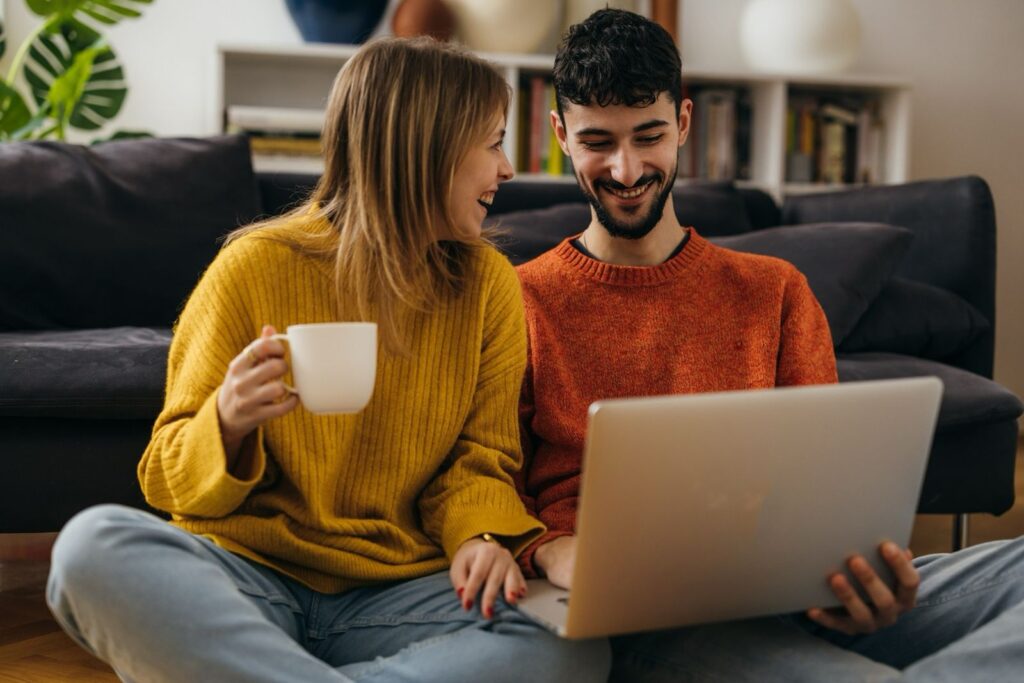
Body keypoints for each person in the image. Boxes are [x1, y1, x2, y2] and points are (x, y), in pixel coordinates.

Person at [45, 37, 610, 683]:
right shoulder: (252, 267)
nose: (506, 169)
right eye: (492, 143)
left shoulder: (489, 285)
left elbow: (481, 459)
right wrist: (226, 423)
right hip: (251, 577)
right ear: (424, 147)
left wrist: (479, 539)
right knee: (92, 547)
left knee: (569, 648)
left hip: (400, 591)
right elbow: (164, 477)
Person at [515, 8, 1024, 681]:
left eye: (649, 135)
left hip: (796, 590)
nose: (627, 167)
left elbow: (828, 487)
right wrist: (553, 550)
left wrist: (860, 572)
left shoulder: (776, 292)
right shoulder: (521, 299)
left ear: (685, 124)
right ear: (560, 135)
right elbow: (485, 488)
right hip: (648, 614)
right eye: (597, 141)